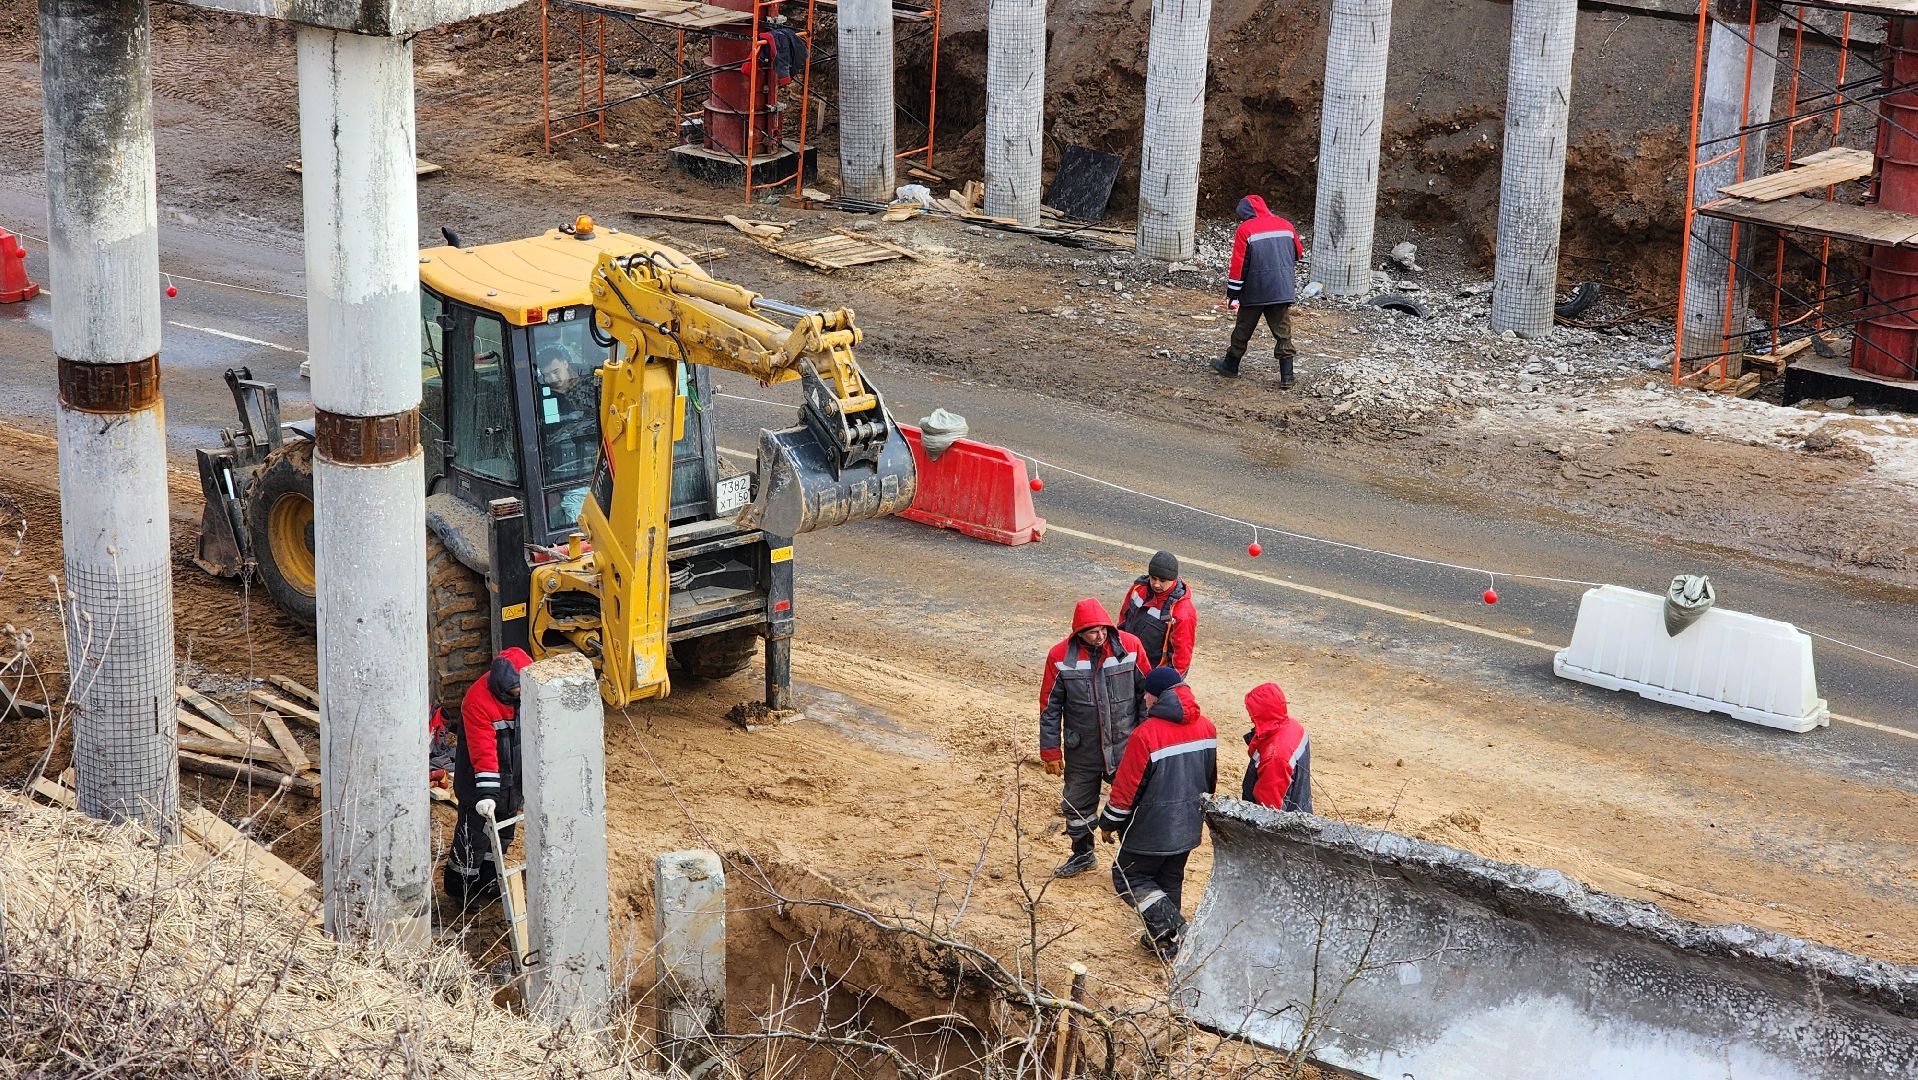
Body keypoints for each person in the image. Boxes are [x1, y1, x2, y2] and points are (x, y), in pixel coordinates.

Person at [1097, 666, 1217, 958]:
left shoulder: (1146, 735)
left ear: (1156, 697)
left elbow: (1126, 789)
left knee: (1128, 878)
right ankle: (1165, 942)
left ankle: (1175, 929)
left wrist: (1108, 823)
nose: (1146, 701)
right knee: (1169, 879)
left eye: (1147, 696)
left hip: (1152, 828)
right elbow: (1210, 777)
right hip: (1189, 823)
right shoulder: (1207, 727)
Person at [1039, 598, 1147, 879]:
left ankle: (1132, 864)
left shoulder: (1131, 647)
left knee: (1131, 804)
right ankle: (1083, 854)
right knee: (1077, 804)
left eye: (1103, 630)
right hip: (1083, 749)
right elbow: (1050, 708)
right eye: (1092, 632)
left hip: (1125, 746)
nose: (1100, 636)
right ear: (1078, 634)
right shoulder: (1060, 657)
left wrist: (1146, 741)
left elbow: (1146, 697)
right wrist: (1050, 750)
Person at [443, 646, 534, 909]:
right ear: (504, 690)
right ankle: (460, 888)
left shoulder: (528, 691)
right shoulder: (478, 701)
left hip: (511, 782)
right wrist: (486, 795)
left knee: (503, 834)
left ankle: (488, 880)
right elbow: (484, 753)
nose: (520, 695)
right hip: (479, 782)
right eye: (516, 692)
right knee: (474, 836)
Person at [1212, 195, 1304, 386]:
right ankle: (1287, 376)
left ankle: (1231, 366)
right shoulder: (1286, 225)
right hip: (1281, 288)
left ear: (1245, 213)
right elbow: (1298, 253)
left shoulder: (1245, 229)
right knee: (1283, 331)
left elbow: (1238, 265)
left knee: (1243, 329)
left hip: (1255, 289)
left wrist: (1233, 294)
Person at [1117, 550, 1197, 676]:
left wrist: (1166, 684)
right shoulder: (1138, 589)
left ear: (1173, 579)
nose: (1156, 584)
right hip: (1127, 664)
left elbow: (1181, 658)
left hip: (1153, 674)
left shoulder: (1183, 612)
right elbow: (1123, 621)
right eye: (1153, 578)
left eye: (1162, 580)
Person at [1241, 682, 1312, 812]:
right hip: (1300, 809)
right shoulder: (1294, 727)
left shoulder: (1274, 756)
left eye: (1252, 713)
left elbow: (1268, 811)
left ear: (1261, 713)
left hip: (1283, 826)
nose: (1251, 718)